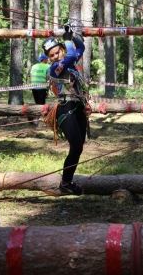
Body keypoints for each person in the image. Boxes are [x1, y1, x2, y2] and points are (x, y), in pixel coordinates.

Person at [43, 32, 87, 195]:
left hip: (78, 108)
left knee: (79, 148)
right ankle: (66, 182)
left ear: (62, 49)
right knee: (75, 145)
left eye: (57, 52)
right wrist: (68, 40)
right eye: (51, 55)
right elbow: (70, 57)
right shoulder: (55, 67)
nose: (55, 56)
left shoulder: (70, 62)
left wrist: (74, 36)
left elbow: (81, 47)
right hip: (65, 108)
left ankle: (68, 181)